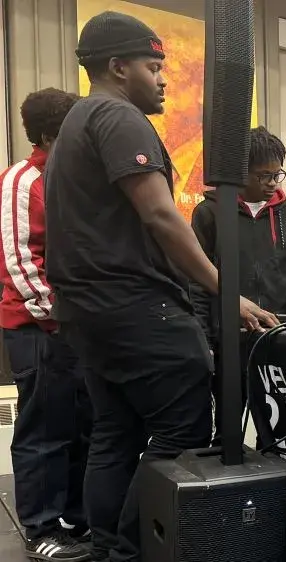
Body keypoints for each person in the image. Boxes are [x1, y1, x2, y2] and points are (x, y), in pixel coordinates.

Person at [44, 12, 277, 561]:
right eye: (154, 67)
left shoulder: (77, 123)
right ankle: (132, 551)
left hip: (90, 311)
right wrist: (226, 292)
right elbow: (161, 216)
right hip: (135, 307)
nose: (164, 79)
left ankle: (108, 551)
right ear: (118, 67)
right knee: (184, 429)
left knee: (114, 435)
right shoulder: (118, 118)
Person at [1, 88, 92, 561]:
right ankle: (40, 529)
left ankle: (78, 520)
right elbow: (20, 260)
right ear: (50, 136)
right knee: (42, 432)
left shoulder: (69, 180)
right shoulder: (23, 180)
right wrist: (58, 316)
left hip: (75, 331)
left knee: (81, 426)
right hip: (38, 329)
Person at [191, 125, 286, 443]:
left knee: (280, 431)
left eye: (278, 175)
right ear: (239, 173)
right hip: (228, 341)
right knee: (227, 434)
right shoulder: (209, 214)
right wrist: (204, 340)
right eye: (263, 176)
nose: (272, 184)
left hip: (277, 340)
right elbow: (198, 283)